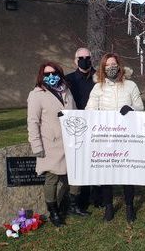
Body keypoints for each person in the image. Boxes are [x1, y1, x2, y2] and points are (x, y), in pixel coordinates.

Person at [27, 62, 89, 227]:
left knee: (76, 174)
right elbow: (32, 122)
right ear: (42, 76)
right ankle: (53, 211)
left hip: (71, 141)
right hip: (51, 144)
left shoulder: (66, 90)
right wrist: (37, 146)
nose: (51, 77)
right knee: (52, 178)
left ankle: (72, 206)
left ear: (59, 74)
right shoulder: (36, 94)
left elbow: (75, 112)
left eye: (53, 73)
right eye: (47, 74)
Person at [86, 52, 144, 223]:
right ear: (103, 68)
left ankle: (129, 206)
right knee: (107, 174)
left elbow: (140, 107)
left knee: (127, 173)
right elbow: (90, 110)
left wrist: (130, 109)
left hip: (126, 136)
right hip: (106, 137)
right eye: (107, 65)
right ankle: (109, 207)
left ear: (119, 65)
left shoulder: (131, 85)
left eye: (114, 64)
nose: (111, 67)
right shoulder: (98, 88)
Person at [65, 48, 103, 210]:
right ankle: (81, 197)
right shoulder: (68, 80)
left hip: (97, 126)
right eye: (81, 58)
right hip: (77, 128)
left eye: (87, 57)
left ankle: (99, 197)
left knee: (97, 161)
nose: (84, 60)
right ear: (75, 60)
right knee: (80, 163)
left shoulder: (100, 78)